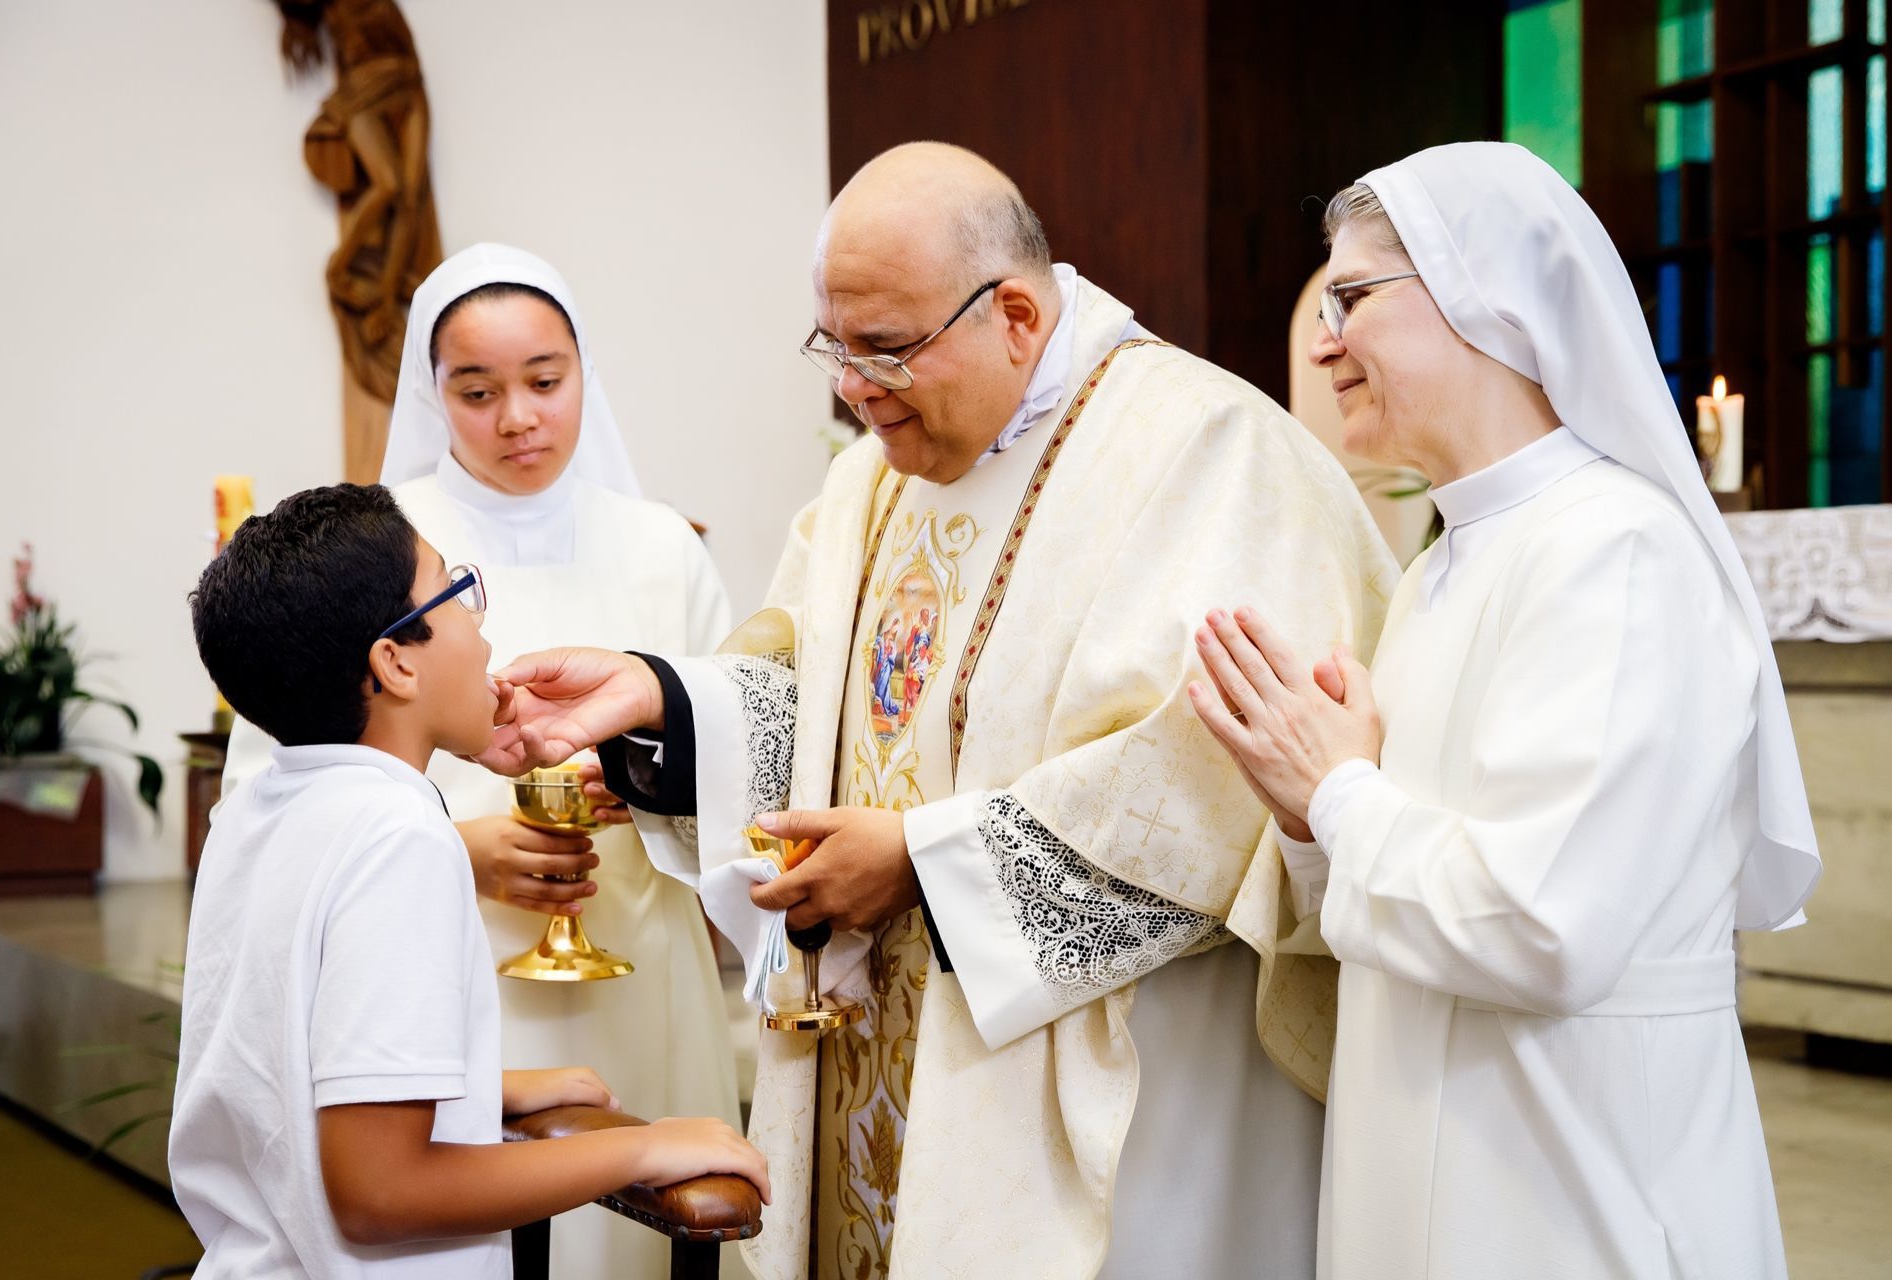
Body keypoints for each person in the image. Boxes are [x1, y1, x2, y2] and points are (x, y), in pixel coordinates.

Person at [474, 143, 1397, 1279]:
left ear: (1014, 312)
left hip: (1136, 1098)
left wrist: (921, 860)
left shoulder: (1210, 454)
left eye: (887, 349)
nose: (854, 388)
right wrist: (665, 701)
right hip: (881, 1050)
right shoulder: (877, 474)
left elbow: (1220, 786)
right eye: (834, 346)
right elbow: (813, 690)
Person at [1189, 142, 1823, 1279]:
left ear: (1483, 291)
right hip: (1427, 1131)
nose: (1321, 338)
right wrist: (1302, 803)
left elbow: (1546, 922)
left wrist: (1337, 789)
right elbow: (1404, 885)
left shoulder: (1616, 550)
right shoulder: (1444, 565)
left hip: (1570, 1173)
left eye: (1351, 297)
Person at [220, 243, 740, 1279]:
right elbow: (266, 803)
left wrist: (647, 791)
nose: (518, 418)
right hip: (440, 974)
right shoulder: (379, 550)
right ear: (433, 392)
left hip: (643, 966)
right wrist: (459, 847)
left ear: (584, 370)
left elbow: (738, 749)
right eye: (478, 389)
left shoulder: (662, 545)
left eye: (546, 381)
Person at [172, 483, 767, 1279]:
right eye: (457, 591)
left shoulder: (256, 812)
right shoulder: (399, 838)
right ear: (394, 661)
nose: (480, 624)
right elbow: (380, 1193)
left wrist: (479, 1093)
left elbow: (280, 1077)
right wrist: (642, 1148)